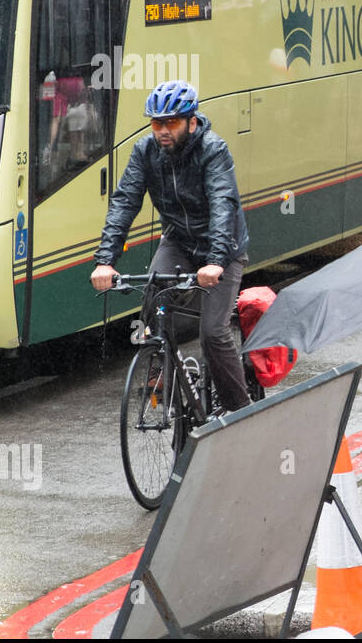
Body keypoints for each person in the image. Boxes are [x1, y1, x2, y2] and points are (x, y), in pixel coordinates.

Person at [90, 81, 252, 412]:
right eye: (157, 123)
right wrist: (105, 260)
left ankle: (242, 410)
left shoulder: (213, 150)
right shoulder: (145, 151)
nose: (163, 130)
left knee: (213, 333)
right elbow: (125, 203)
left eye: (172, 123)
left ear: (192, 122)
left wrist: (217, 261)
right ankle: (160, 368)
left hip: (223, 250)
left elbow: (223, 204)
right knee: (153, 296)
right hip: (178, 241)